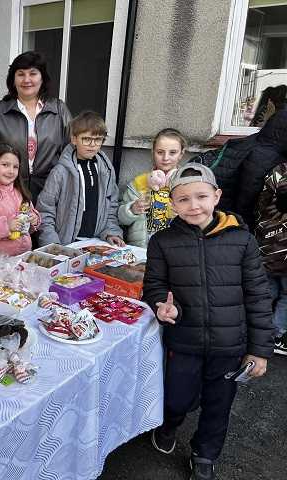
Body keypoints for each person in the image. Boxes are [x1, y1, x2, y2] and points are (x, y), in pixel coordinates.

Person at [143, 163, 274, 480]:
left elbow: (258, 296)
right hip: (184, 341)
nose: (193, 205)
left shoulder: (242, 240)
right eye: (183, 199)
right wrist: (164, 307)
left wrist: (259, 350)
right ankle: (170, 424)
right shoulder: (162, 242)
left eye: (201, 196)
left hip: (230, 346)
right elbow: (155, 286)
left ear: (216, 196)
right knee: (177, 397)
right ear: (173, 203)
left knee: (219, 404)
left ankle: (205, 453)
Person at [0, 51, 72, 202]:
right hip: (9, 191)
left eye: (33, 73)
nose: (26, 80)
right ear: (13, 79)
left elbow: (70, 151)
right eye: (20, 74)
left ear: (42, 78)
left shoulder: (59, 110)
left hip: (51, 191)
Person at [36, 111, 124, 247]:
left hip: (97, 243)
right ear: (74, 139)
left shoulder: (106, 170)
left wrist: (111, 232)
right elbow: (45, 211)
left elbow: (111, 207)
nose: (92, 144)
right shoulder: (60, 172)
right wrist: (53, 245)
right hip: (66, 245)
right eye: (86, 139)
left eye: (98, 139)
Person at [118, 128, 187, 247]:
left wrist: (182, 214)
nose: (165, 158)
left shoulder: (188, 185)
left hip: (175, 249)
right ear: (153, 152)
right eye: (160, 152)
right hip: (142, 249)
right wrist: (132, 209)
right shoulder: (140, 182)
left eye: (172, 152)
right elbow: (119, 219)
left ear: (181, 154)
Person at [254, 161, 287, 355]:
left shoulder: (277, 171)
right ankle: (274, 335)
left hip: (267, 244)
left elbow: (261, 205)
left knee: (267, 292)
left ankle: (258, 331)